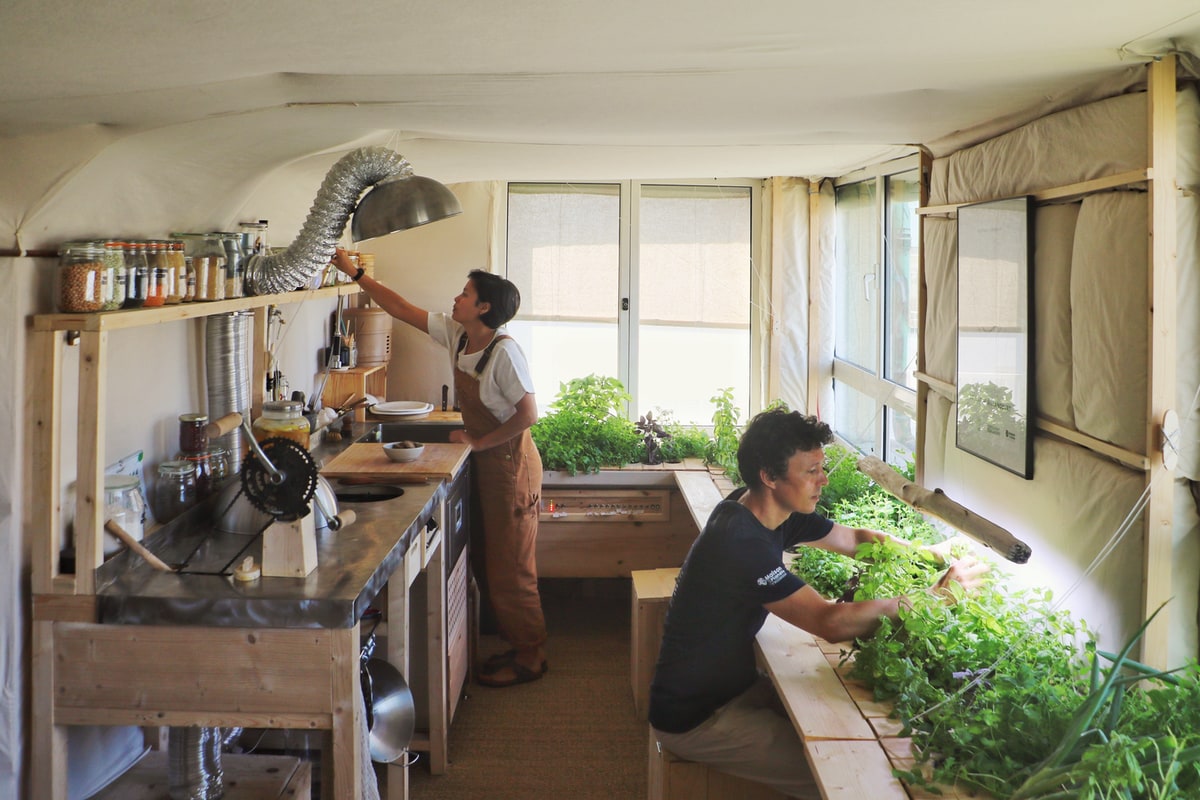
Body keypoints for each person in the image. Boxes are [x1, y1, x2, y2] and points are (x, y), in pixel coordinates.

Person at [648, 408, 988, 798]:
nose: (823, 480)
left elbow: (856, 540)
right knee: (852, 780)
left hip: (730, 690)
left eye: (821, 468)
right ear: (769, 476)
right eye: (811, 471)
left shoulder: (762, 510)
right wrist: (931, 600)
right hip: (696, 718)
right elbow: (829, 622)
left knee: (852, 731)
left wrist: (932, 554)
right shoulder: (741, 542)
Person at [332, 249, 548, 688]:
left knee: (511, 568)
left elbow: (528, 414)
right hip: (490, 461)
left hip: (511, 464)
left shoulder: (505, 354)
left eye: (466, 293)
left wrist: (478, 441)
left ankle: (532, 656)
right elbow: (401, 308)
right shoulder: (459, 335)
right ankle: (517, 642)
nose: (457, 297)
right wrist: (355, 274)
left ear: (484, 307)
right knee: (491, 563)